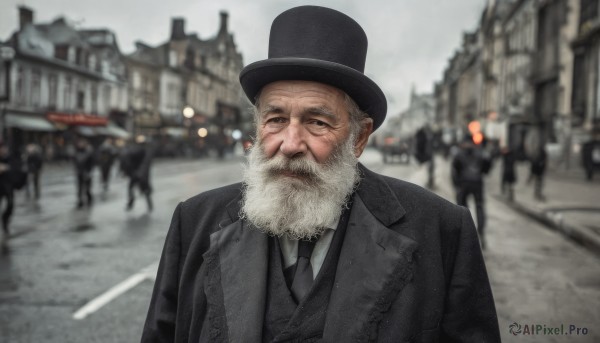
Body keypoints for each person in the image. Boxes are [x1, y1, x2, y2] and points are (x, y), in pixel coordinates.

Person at [141, 6, 500, 342]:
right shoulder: (195, 223)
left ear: (359, 137)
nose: (290, 143)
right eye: (276, 119)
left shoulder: (441, 231)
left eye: (317, 122)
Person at [451, 133, 492, 249]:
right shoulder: (480, 152)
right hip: (477, 182)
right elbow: (486, 169)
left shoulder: (459, 153)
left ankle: (463, 236)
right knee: (479, 206)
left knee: (462, 210)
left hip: (463, 183)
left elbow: (455, 169)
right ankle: (482, 234)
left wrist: (456, 184)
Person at [120, 136, 153, 212]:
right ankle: (132, 203)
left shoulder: (143, 151)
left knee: (144, 190)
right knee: (133, 188)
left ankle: (149, 205)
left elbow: (145, 163)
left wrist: (139, 173)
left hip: (140, 174)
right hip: (137, 174)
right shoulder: (139, 150)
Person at [73, 137, 95, 208]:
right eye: (80, 143)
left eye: (82, 143)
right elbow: (75, 162)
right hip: (80, 173)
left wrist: (89, 172)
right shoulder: (77, 152)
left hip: (87, 173)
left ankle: (89, 199)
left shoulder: (89, 152)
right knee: (80, 188)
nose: (81, 144)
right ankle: (80, 201)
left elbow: (92, 163)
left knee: (87, 189)